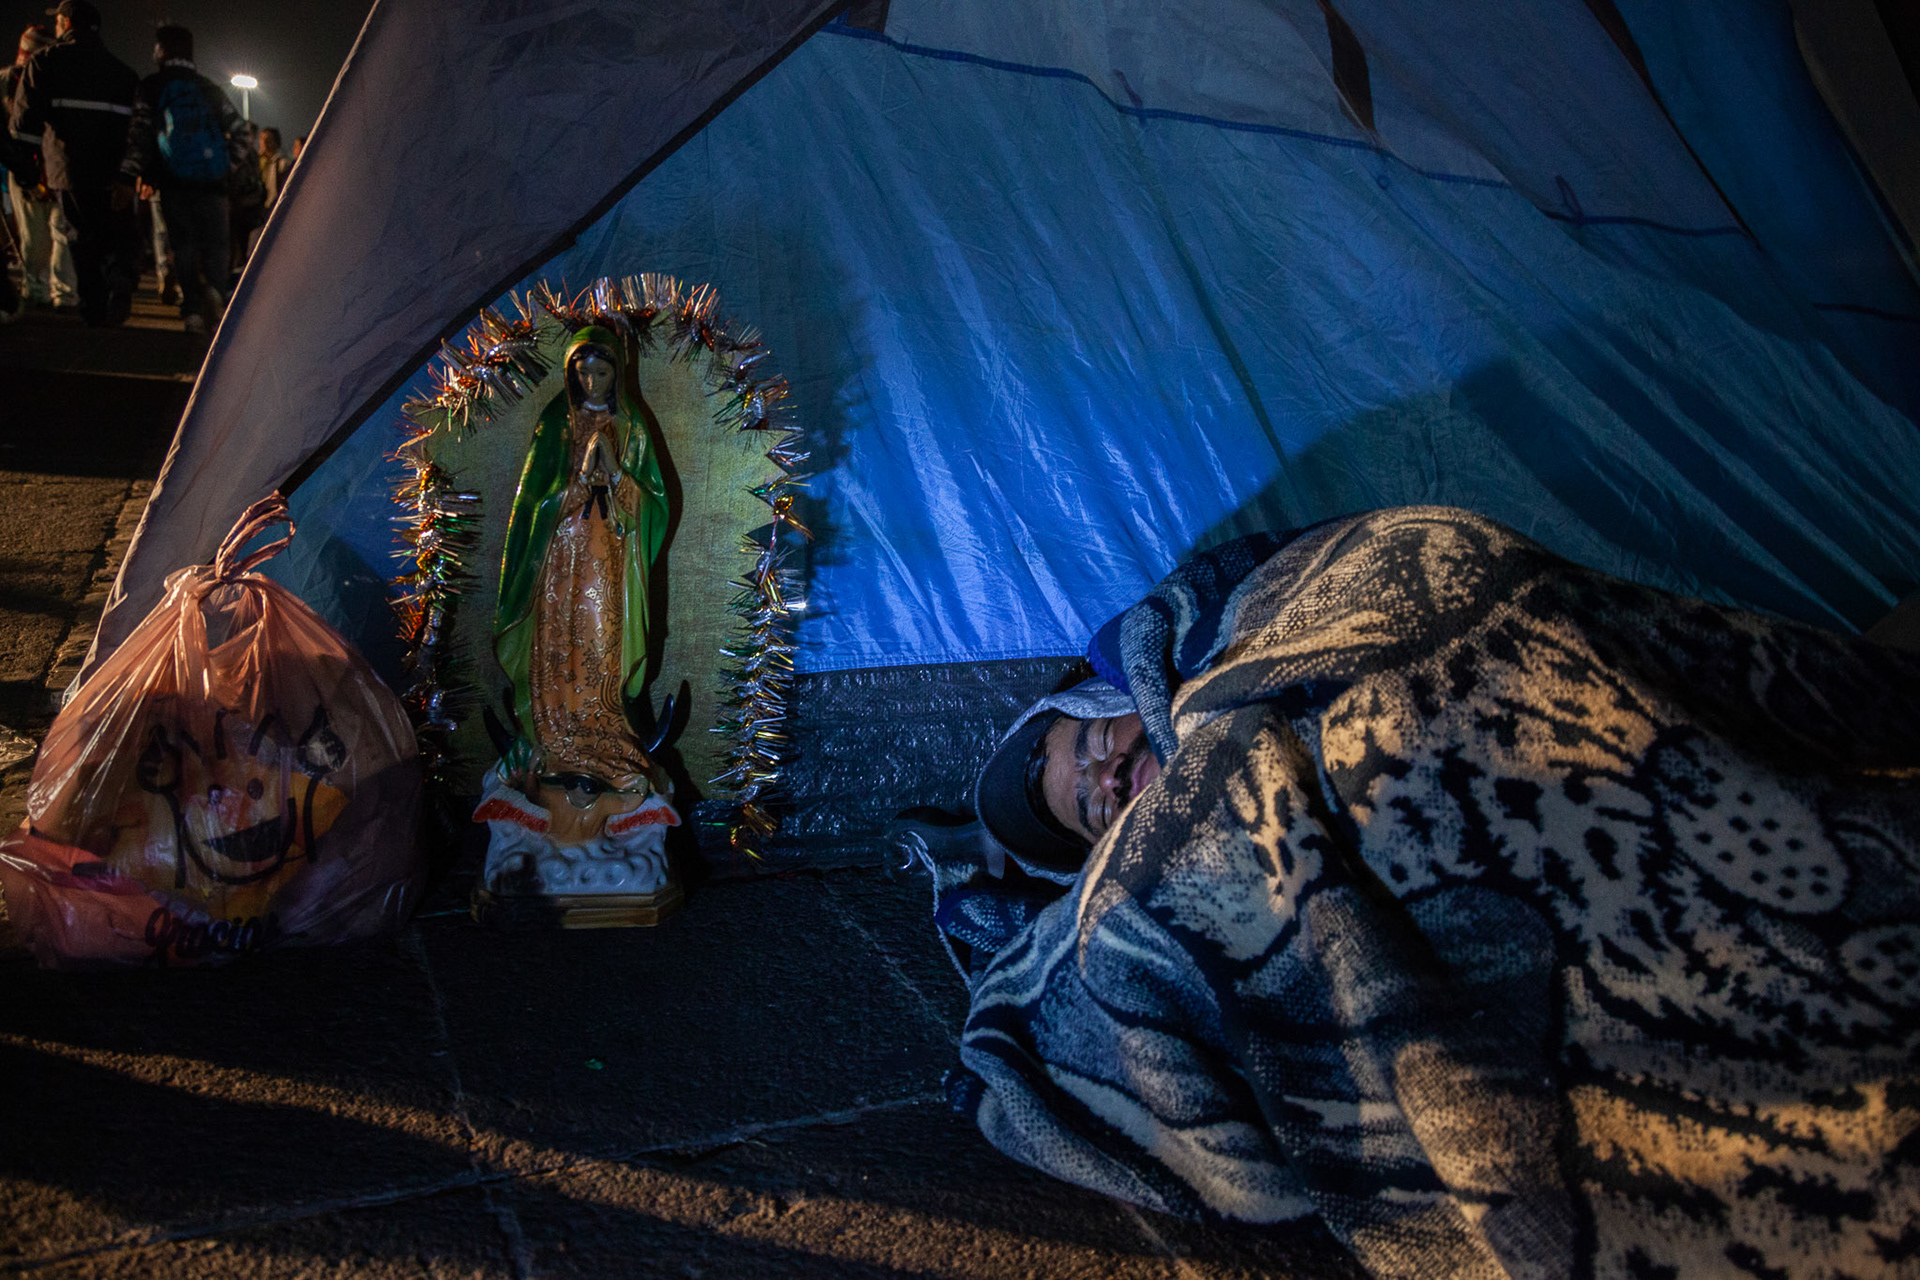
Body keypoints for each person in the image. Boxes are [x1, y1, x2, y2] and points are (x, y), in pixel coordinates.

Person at [941, 507, 1920, 1279]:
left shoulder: (1237, 638)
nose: (1109, 775)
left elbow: (1418, 567)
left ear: (1119, 696)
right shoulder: (1173, 826)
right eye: (1092, 807)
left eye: (1093, 744)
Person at [6, 0, 137, 327]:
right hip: (110, 172)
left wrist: (25, 170)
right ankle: (116, 279)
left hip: (67, 169)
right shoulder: (123, 72)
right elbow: (138, 129)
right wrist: (129, 174)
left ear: (65, 23)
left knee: (79, 238)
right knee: (107, 235)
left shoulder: (45, 62)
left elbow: (25, 124)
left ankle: (93, 308)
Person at [118, 24, 248, 334]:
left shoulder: (152, 86)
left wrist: (131, 175)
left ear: (163, 50)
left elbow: (140, 136)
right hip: (213, 184)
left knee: (184, 245)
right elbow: (242, 132)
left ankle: (192, 311)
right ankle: (215, 291)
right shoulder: (209, 87)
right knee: (217, 245)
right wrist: (225, 166)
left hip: (174, 183)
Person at [3, 24, 77, 310]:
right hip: (47, 167)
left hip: (32, 168)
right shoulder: (63, 79)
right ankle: (58, 292)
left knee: (41, 236)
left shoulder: (9, 81)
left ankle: (44, 289)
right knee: (52, 236)